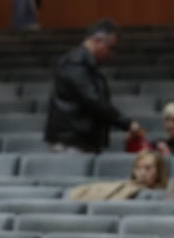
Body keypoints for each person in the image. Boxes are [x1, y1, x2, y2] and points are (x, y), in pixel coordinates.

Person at [44, 19, 142, 153]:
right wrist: (127, 124)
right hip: (72, 142)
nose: (110, 54)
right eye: (110, 47)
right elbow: (93, 100)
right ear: (98, 41)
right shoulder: (76, 64)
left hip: (79, 141)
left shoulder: (83, 64)